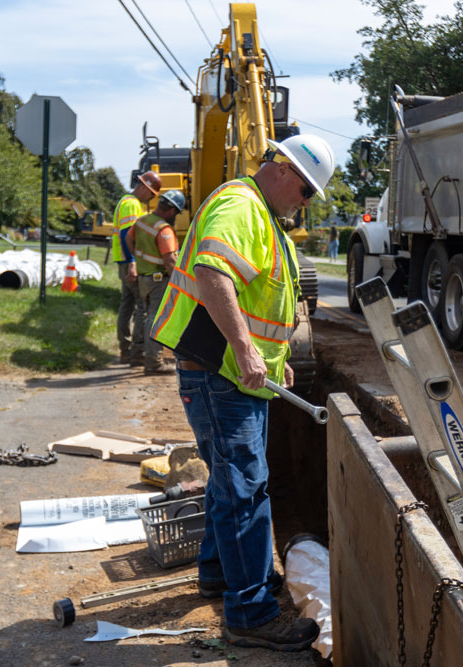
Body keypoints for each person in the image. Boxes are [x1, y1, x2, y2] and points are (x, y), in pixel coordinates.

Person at [149, 134, 334, 651]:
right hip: (219, 372)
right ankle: (250, 612)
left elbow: (264, 304)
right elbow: (212, 275)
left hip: (236, 374)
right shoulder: (241, 204)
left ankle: (217, 571)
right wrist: (248, 352)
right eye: (305, 189)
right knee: (245, 489)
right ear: (281, 168)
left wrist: (272, 360)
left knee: (229, 481)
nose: (306, 201)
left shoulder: (269, 221)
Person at [124, 189, 185, 375]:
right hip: (159, 280)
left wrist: (139, 259)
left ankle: (137, 355)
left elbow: (128, 239)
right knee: (155, 319)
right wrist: (180, 285)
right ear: (171, 211)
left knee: (143, 315)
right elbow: (170, 261)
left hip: (144, 278)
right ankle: (153, 363)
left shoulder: (142, 221)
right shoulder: (164, 230)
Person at [112, 171, 162, 366]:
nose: (151, 199)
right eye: (151, 194)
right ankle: (137, 353)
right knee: (142, 306)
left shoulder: (124, 201)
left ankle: (125, 350)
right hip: (128, 262)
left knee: (127, 305)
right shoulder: (132, 204)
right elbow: (128, 235)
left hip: (123, 261)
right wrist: (133, 262)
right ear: (143, 187)